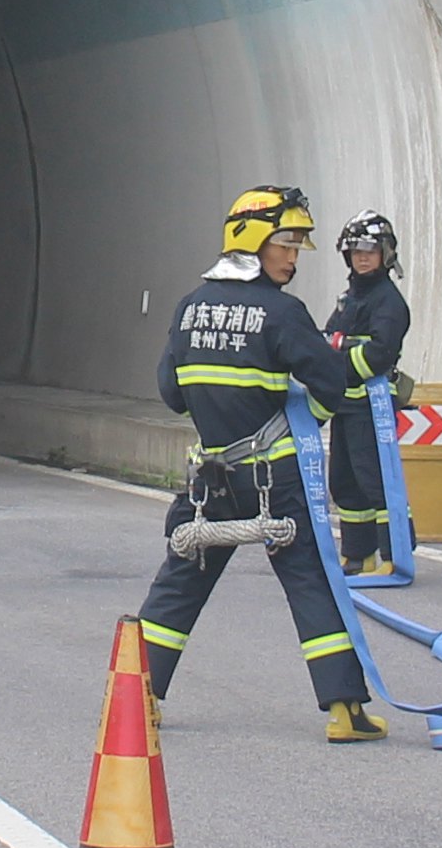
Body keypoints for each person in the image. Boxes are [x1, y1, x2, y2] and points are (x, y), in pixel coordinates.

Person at [134, 185, 388, 743]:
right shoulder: (282, 311)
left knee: (181, 581)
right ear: (254, 242)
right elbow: (332, 382)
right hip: (275, 478)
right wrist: (301, 420)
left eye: (297, 246)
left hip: (210, 479)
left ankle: (140, 698)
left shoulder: (190, 306)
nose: (293, 258)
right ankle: (345, 711)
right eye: (287, 244)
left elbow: (172, 393)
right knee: (311, 581)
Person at [322, 212, 411, 577]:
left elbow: (378, 353)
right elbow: (328, 338)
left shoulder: (388, 302)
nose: (362, 257)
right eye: (355, 250)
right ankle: (358, 556)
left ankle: (395, 556)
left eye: (370, 250)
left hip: (372, 405)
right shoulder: (350, 298)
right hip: (346, 405)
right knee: (344, 480)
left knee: (377, 480)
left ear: (385, 254)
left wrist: (338, 361)